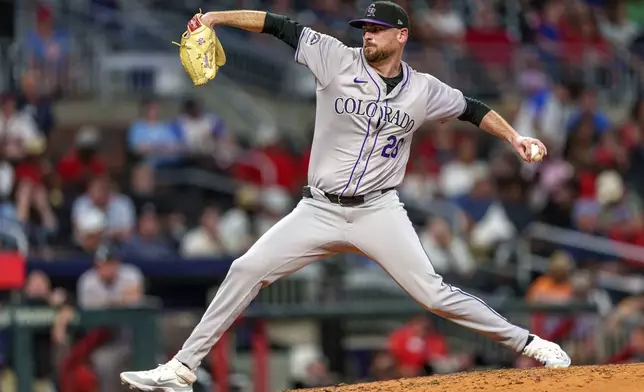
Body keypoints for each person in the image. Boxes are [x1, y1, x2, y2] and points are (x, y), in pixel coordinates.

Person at [121, 2, 570, 391]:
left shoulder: (424, 89)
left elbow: (473, 109)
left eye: (376, 30)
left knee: (433, 294)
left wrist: (515, 138)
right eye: (364, 29)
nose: (367, 36)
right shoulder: (334, 57)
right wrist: (217, 17)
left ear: (402, 35)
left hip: (378, 210)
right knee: (246, 268)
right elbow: (277, 24)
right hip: (318, 209)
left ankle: (530, 343)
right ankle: (182, 367)